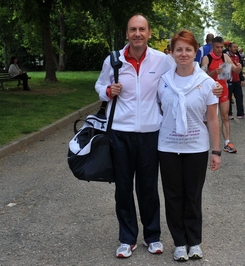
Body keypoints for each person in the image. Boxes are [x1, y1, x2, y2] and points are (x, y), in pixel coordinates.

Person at [95, 14, 174, 258]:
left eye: (141, 29)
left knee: (148, 187)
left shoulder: (162, 60)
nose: (137, 34)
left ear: (149, 33)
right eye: (132, 30)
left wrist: (208, 85)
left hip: (151, 133)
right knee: (123, 188)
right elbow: (99, 87)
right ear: (127, 34)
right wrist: (108, 91)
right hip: (120, 132)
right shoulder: (114, 60)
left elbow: (184, 76)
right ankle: (127, 238)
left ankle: (152, 236)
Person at [157, 29, 221, 262]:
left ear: (195, 52)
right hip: (168, 147)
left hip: (196, 147)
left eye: (188, 49)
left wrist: (216, 151)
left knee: (193, 196)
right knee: (173, 196)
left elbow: (212, 119)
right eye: (179, 49)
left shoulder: (206, 83)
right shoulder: (163, 82)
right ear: (172, 53)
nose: (183, 54)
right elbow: (158, 111)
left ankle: (194, 241)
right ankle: (179, 243)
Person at [201, 36, 242, 153]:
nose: (219, 50)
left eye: (221, 47)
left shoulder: (225, 57)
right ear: (212, 47)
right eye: (217, 47)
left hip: (223, 89)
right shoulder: (206, 58)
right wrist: (214, 72)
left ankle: (227, 143)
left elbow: (235, 70)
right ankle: (202, 141)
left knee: (225, 116)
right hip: (210, 91)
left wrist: (239, 67)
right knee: (207, 118)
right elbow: (201, 77)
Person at [226, 42, 245, 119]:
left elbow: (240, 69)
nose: (235, 49)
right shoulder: (226, 56)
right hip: (229, 80)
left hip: (237, 80)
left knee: (239, 97)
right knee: (228, 97)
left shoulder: (237, 56)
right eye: (234, 47)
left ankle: (240, 113)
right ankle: (229, 114)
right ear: (229, 48)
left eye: (236, 47)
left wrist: (241, 79)